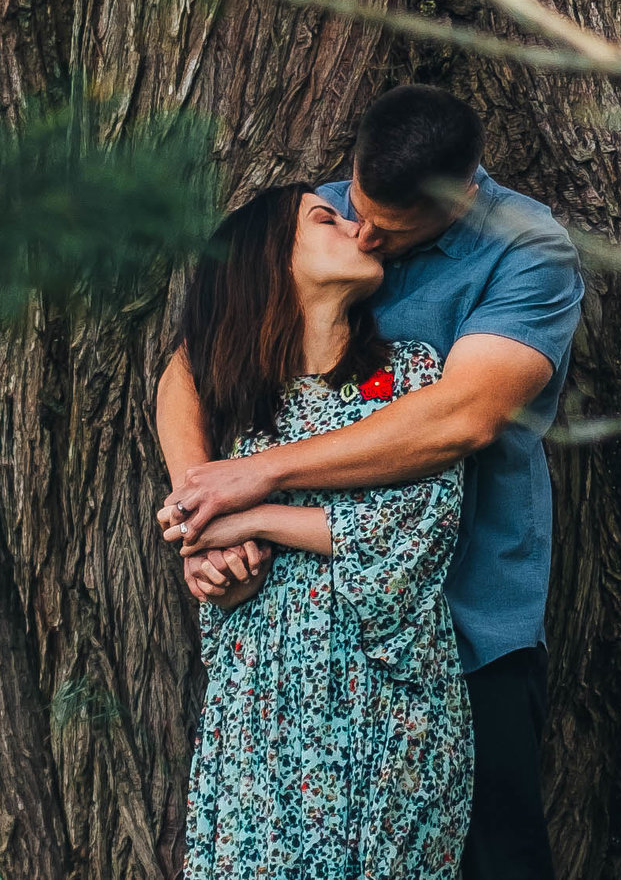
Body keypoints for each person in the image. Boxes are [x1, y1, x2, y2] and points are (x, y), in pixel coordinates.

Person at [159, 85, 582, 880]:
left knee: (491, 853)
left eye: (388, 228)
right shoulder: (316, 215)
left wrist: (254, 487)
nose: (361, 229)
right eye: (351, 203)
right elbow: (194, 361)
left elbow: (460, 421)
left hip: (463, 619)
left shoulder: (528, 249)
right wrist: (200, 512)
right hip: (287, 646)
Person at [169, 183, 471, 878]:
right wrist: (218, 569)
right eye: (326, 219)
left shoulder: (412, 377)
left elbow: (417, 528)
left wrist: (256, 516)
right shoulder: (232, 407)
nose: (361, 231)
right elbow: (217, 559)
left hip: (386, 705)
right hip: (257, 712)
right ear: (269, 259)